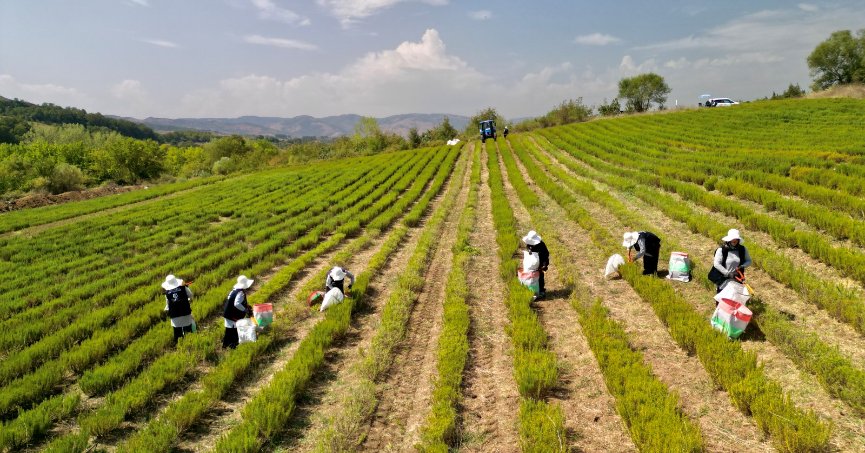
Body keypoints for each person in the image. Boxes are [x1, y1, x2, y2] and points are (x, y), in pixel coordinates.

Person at [162, 274, 195, 344]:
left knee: (177, 333)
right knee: (188, 330)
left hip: (174, 315)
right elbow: (191, 295)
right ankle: (190, 344)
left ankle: (178, 345)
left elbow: (168, 304)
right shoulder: (183, 287)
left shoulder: (167, 293)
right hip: (185, 312)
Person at [223, 275, 254, 349]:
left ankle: (225, 346)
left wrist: (246, 306)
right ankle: (232, 347)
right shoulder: (241, 293)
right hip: (232, 314)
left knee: (229, 330)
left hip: (228, 313)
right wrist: (245, 310)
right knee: (233, 331)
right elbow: (237, 303)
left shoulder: (234, 290)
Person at [522, 230, 549, 299]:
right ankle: (531, 290)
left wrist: (544, 264)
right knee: (530, 276)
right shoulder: (529, 243)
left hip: (540, 262)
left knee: (540, 275)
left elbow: (545, 255)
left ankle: (541, 291)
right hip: (532, 263)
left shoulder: (541, 245)